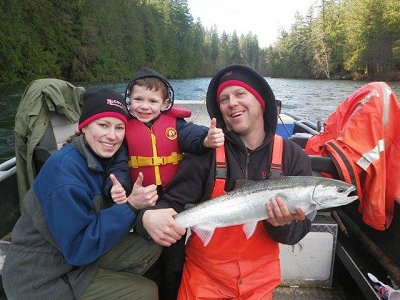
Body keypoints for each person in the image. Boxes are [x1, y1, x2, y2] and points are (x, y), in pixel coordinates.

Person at [135, 64, 313, 300]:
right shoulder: (205, 154)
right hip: (203, 282)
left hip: (259, 286)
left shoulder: (294, 156)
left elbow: (295, 234)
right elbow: (171, 204)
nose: (232, 103)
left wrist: (281, 224)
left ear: (260, 100)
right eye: (224, 99)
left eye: (240, 94)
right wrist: (145, 217)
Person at [2, 87, 162, 300]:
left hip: (69, 256)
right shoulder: (64, 176)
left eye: (119, 127)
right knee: (145, 292)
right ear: (84, 127)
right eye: (103, 125)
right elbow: (79, 249)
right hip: (41, 279)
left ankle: (106, 284)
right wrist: (131, 206)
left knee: (152, 246)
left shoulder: (101, 157)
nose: (112, 136)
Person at [108, 67, 224, 299]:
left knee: (174, 260)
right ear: (128, 99)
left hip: (174, 202)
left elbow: (193, 137)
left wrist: (206, 139)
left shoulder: (177, 125)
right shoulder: (123, 129)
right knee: (148, 259)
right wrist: (119, 185)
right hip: (142, 202)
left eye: (152, 100)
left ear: (164, 103)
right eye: (138, 99)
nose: (144, 106)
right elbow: (118, 165)